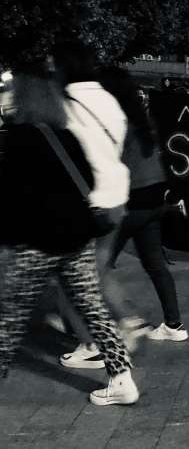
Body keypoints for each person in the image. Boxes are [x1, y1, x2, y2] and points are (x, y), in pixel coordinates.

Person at [0, 70, 138, 405]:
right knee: (94, 309)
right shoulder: (68, 137)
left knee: (10, 316)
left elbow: (10, 195)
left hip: (36, 242)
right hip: (76, 238)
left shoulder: (16, 139)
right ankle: (122, 380)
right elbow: (88, 181)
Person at [49, 41, 146, 370]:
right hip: (116, 195)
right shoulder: (109, 101)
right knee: (100, 269)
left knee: (69, 278)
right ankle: (126, 319)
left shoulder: (62, 105)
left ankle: (94, 344)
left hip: (83, 202)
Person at [97, 68, 188, 341]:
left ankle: (97, 332)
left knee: (96, 269)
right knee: (156, 265)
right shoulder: (145, 121)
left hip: (128, 202)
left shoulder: (115, 121)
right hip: (154, 201)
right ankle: (174, 325)